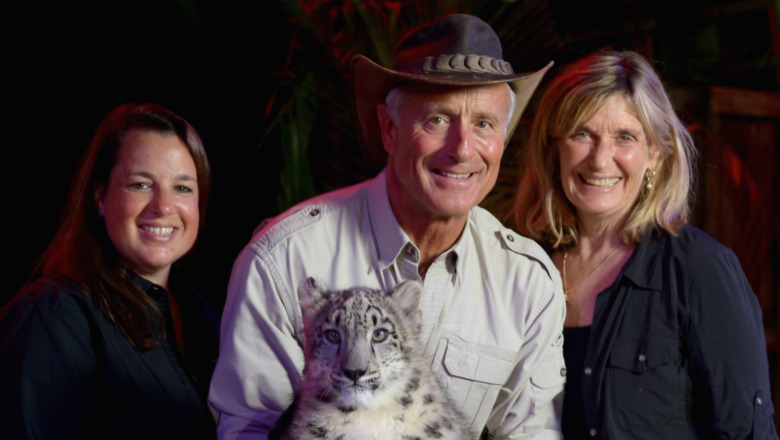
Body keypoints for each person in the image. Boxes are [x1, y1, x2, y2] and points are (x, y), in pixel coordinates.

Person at [208, 13, 566, 439]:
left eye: (484, 124)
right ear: (389, 129)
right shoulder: (283, 260)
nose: (462, 149)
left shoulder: (527, 280)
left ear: (502, 143)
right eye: (437, 119)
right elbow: (247, 429)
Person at [513, 49, 778, 439]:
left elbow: (748, 433)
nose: (601, 160)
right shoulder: (520, 269)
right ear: (554, 147)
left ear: (654, 153)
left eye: (625, 137)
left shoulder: (701, 271)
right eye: (582, 133)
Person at [0, 103, 220, 439]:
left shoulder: (201, 314)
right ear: (100, 197)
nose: (163, 207)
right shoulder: (54, 316)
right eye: (141, 185)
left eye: (182, 188)